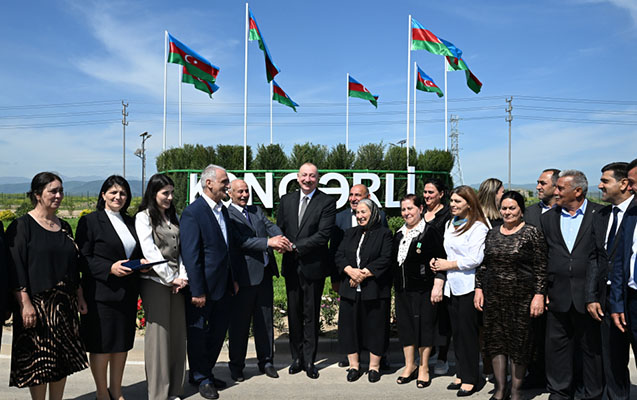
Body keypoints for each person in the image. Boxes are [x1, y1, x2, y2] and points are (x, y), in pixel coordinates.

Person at [6, 172, 89, 400]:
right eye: (52, 191)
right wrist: (25, 304)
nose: (58, 195)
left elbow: (74, 265)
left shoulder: (64, 227)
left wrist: (79, 296)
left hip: (65, 306)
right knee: (40, 363)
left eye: (61, 191)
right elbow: (16, 268)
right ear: (37, 194)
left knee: (62, 361)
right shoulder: (21, 226)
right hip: (37, 307)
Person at [75, 175, 144, 400]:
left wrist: (142, 264)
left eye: (123, 193)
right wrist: (109, 268)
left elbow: (136, 252)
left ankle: (116, 390)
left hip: (127, 292)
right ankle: (102, 393)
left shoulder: (131, 222)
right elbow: (83, 258)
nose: (118, 197)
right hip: (101, 293)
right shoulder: (90, 221)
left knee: (121, 344)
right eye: (113, 192)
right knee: (102, 345)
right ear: (103, 194)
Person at [474, 191, 547, 400]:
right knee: (497, 343)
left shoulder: (532, 233)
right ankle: (500, 390)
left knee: (519, 345)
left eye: (512, 208)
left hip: (522, 299)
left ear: (521, 210)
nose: (507, 212)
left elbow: (541, 267)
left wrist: (539, 294)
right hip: (494, 298)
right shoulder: (492, 233)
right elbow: (484, 264)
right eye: (504, 208)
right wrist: (479, 289)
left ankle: (515, 391)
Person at [540, 170, 603, 400]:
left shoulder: (599, 214)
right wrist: (543, 290)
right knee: (557, 347)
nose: (555, 192)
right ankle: (559, 391)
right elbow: (543, 256)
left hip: (588, 295)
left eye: (560, 188)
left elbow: (600, 255)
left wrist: (594, 293)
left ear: (577, 191)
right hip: (557, 293)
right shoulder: (548, 218)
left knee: (590, 348)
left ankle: (592, 392)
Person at [180, 164, 238, 400]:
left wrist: (233, 280)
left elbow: (226, 249)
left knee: (217, 333)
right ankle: (201, 377)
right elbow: (191, 254)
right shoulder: (193, 213)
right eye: (224, 182)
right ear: (209, 183)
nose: (228, 186)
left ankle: (206, 372)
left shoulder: (223, 210)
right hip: (203, 289)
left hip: (223, 287)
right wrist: (197, 290)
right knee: (198, 336)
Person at [226, 179, 291, 381]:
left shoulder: (256, 210)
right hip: (244, 278)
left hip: (264, 275)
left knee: (265, 322)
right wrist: (269, 243)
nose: (244, 195)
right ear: (230, 193)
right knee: (240, 325)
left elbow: (270, 227)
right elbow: (241, 241)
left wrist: (282, 240)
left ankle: (267, 362)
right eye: (240, 191)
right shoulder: (227, 214)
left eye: (247, 191)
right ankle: (237, 366)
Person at [277, 162, 336, 379]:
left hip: (313, 268)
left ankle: (310, 360)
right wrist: (280, 242)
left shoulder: (327, 202)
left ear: (317, 178)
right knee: (293, 314)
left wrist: (294, 246)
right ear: (297, 177)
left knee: (311, 314)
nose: (307, 179)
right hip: (291, 267)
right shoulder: (286, 200)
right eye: (304, 175)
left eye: (312, 176)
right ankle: (297, 358)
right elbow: (280, 227)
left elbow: (323, 236)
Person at [431, 185, 489, 397]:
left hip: (468, 286)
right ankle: (461, 372)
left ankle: (471, 378)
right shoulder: (450, 223)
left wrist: (448, 264)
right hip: (452, 286)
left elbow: (475, 258)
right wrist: (438, 262)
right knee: (457, 333)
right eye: (452, 201)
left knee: (468, 334)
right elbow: (448, 251)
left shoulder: (479, 227)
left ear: (469, 203)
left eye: (458, 201)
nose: (452, 205)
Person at [135, 173, 189, 400]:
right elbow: (150, 250)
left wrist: (182, 277)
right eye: (165, 193)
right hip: (156, 283)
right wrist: (170, 277)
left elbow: (181, 250)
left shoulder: (173, 216)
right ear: (153, 193)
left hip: (177, 283)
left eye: (172, 193)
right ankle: (158, 394)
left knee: (177, 337)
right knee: (159, 338)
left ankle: (175, 390)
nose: (170, 197)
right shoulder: (144, 217)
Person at [590, 161, 637, 400]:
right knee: (613, 357)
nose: (600, 186)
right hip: (610, 298)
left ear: (624, 184)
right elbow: (601, 259)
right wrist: (593, 296)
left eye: (605, 181)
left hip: (631, 297)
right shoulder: (601, 215)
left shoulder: (633, 212)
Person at [329, 183, 388, 369]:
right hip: (350, 287)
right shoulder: (349, 232)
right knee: (350, 328)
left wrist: (363, 274)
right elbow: (338, 254)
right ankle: (353, 365)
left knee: (374, 327)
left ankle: (374, 366)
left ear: (373, 212)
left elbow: (385, 257)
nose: (360, 215)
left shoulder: (384, 233)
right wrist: (350, 271)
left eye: (364, 212)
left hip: (373, 288)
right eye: (358, 213)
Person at [393, 194, 446, 388]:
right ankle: (410, 365)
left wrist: (438, 285)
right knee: (406, 328)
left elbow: (440, 259)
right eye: (403, 209)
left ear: (420, 209)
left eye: (410, 208)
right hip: (402, 290)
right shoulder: (399, 234)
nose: (406, 213)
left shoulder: (429, 232)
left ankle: (424, 367)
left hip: (424, 289)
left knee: (425, 328)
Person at [522, 167, 560, 389]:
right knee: (534, 334)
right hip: (532, 284)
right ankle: (536, 375)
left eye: (542, 183)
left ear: (556, 187)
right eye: (537, 182)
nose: (537, 187)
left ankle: (559, 379)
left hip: (560, 284)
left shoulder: (566, 212)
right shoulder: (529, 213)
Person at [422, 178, 452, 376]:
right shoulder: (421, 213)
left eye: (431, 192)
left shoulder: (447, 215)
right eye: (425, 192)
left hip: (442, 270)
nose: (427, 196)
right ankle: (429, 352)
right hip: (421, 273)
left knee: (442, 317)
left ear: (441, 194)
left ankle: (442, 356)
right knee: (426, 316)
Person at [609, 158, 637, 371]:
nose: (631, 188)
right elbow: (620, 262)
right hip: (632, 300)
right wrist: (618, 304)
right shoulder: (631, 215)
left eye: (634, 182)